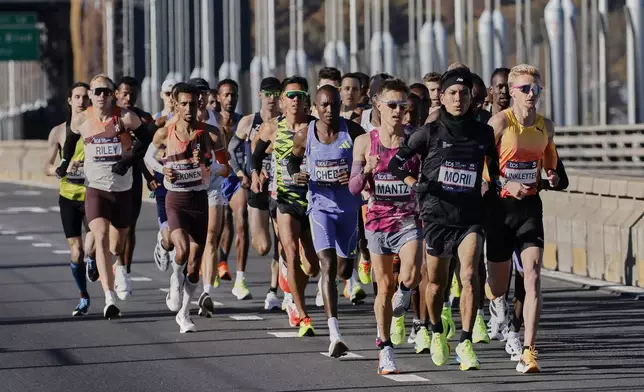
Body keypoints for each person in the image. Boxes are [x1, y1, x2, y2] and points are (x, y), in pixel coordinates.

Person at [390, 68, 500, 371]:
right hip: (438, 215)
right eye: (452, 93)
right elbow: (396, 163)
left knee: (468, 275)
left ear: (471, 99)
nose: (458, 98)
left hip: (470, 216)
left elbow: (493, 165)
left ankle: (465, 341)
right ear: (443, 96)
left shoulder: (483, 133)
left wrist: (492, 183)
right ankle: (437, 330)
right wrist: (416, 184)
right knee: (436, 284)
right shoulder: (430, 132)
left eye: (463, 93)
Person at [56, 74, 151, 318]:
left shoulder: (126, 117)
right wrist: (65, 162)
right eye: (96, 92)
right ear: (90, 95)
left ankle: (102, 262)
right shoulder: (81, 119)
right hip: (96, 189)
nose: (101, 96)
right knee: (99, 237)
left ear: (113, 95)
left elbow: (147, 137)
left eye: (105, 92)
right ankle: (109, 299)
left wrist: (128, 159)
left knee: (116, 246)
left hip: (122, 190)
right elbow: (70, 140)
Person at [485, 64, 559, 374]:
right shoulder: (499, 123)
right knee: (498, 285)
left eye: (536, 89)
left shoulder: (546, 126)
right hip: (500, 212)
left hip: (529, 208)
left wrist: (551, 175)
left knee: (532, 275)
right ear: (512, 92)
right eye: (526, 89)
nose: (532, 95)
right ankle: (496, 304)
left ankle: (529, 350)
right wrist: (505, 184)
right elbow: (483, 170)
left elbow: (550, 159)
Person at [350, 78, 423, 374]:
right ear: (378, 106)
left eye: (402, 105)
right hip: (377, 221)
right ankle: (385, 348)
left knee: (412, 272)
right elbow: (354, 188)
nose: (397, 111)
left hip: (408, 219)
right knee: (383, 288)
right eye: (391, 105)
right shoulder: (365, 142)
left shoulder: (414, 140)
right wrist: (367, 168)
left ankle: (405, 291)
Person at [289, 85, 365, 357]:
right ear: (315, 108)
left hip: (348, 210)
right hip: (319, 207)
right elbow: (292, 162)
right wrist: (297, 175)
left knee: (344, 270)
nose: (329, 110)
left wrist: (357, 175)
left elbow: (369, 161)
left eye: (334, 105)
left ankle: (346, 278)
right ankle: (335, 334)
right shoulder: (304, 134)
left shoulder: (353, 132)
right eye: (324, 106)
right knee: (327, 264)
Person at [149, 82, 226, 332]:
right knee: (180, 249)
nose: (189, 108)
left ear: (200, 103)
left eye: (193, 103)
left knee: (194, 264)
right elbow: (148, 157)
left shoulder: (212, 134)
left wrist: (208, 164)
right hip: (176, 199)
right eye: (184, 103)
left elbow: (225, 167)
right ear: (175, 103)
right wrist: (164, 170)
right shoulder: (165, 132)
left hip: (199, 200)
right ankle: (174, 279)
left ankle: (184, 313)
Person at [251, 76, 320, 336]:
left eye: (300, 96)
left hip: (312, 201)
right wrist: (255, 172)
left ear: (307, 101)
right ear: (282, 101)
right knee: (289, 251)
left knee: (312, 266)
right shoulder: (271, 128)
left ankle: (291, 283)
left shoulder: (315, 128)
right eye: (290, 96)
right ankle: (302, 314)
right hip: (283, 198)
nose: (295, 101)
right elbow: (255, 154)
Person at [228, 76, 283, 309]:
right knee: (262, 246)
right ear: (260, 95)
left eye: (275, 94)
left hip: (281, 186)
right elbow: (231, 149)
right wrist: (242, 173)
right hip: (256, 187)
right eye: (267, 94)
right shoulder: (249, 122)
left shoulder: (287, 121)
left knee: (284, 240)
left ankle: (275, 290)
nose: (271, 99)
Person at [44, 82, 96, 316]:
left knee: (91, 244)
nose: (81, 101)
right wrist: (60, 169)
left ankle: (94, 258)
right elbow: (46, 165)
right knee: (76, 252)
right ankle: (83, 296)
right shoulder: (58, 131)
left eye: (86, 97)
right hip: (68, 195)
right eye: (77, 96)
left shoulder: (96, 127)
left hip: (92, 193)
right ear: (69, 100)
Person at [114, 76, 155, 277]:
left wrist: (148, 176)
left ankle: (124, 271)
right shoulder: (108, 117)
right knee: (102, 226)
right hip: (107, 177)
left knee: (129, 225)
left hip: (133, 176)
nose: (129, 97)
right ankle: (94, 258)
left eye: (133, 94)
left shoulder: (144, 119)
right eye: (125, 93)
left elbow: (143, 151)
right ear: (117, 95)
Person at [217, 79, 249, 296]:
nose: (230, 99)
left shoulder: (243, 122)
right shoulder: (212, 122)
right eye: (226, 95)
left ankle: (240, 279)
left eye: (234, 95)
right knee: (223, 225)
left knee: (241, 222)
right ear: (218, 97)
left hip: (237, 179)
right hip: (217, 179)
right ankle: (219, 262)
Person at [147, 79, 177, 272]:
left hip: (182, 180)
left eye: (174, 95)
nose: (171, 99)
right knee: (169, 239)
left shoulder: (185, 119)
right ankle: (162, 242)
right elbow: (147, 155)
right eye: (167, 95)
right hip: (161, 178)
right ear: (161, 95)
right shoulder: (155, 120)